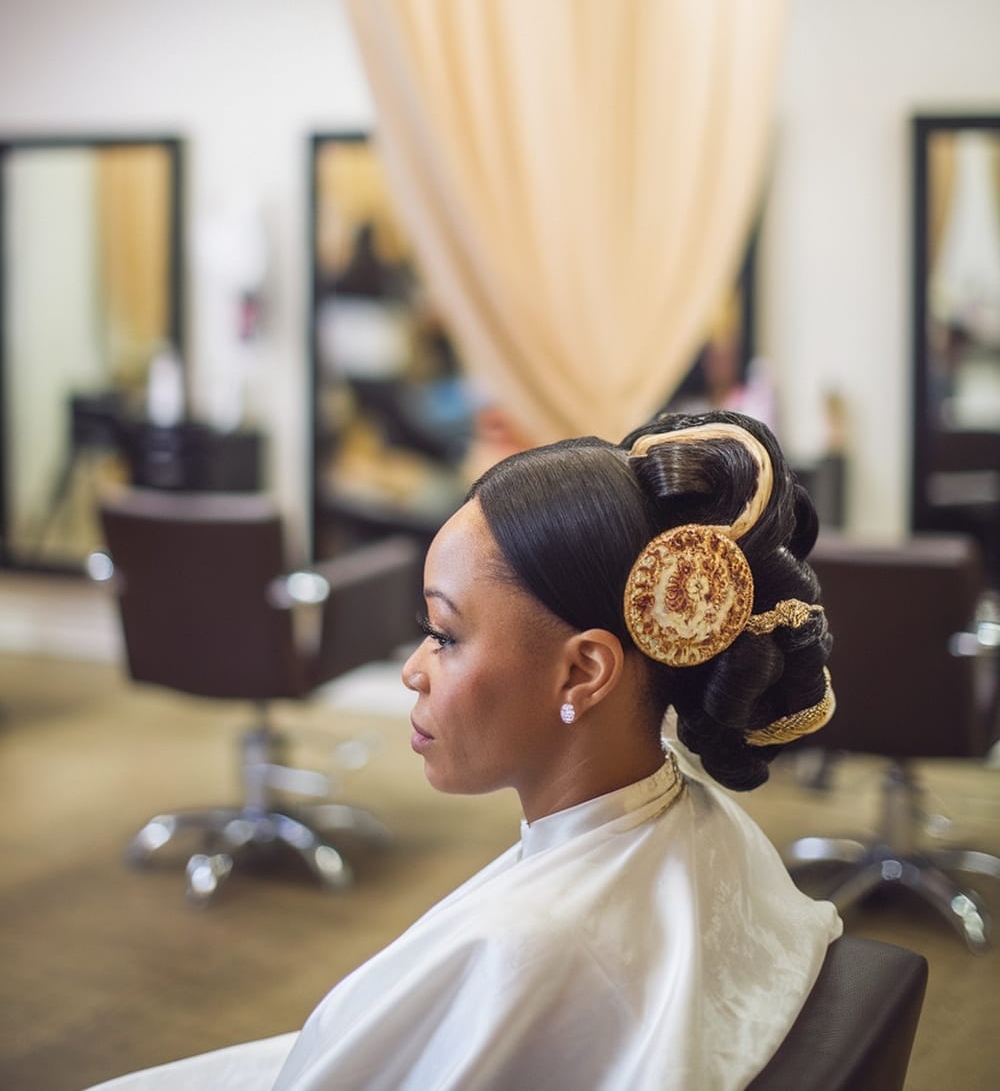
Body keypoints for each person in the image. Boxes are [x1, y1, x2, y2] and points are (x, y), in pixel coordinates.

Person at [88, 410, 840, 1091]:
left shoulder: (524, 950)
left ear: (584, 670)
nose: (414, 669)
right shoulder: (712, 831)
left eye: (445, 636)